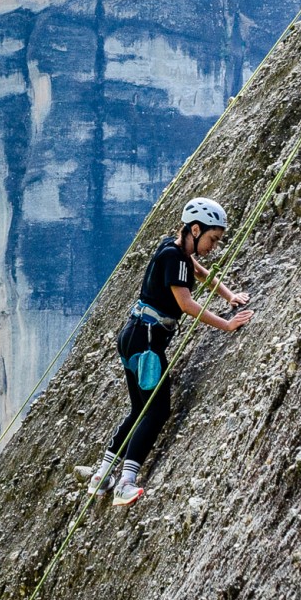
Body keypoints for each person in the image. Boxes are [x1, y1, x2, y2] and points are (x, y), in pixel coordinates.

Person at [84, 197, 251, 508]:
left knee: (139, 409)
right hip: (147, 341)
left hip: (134, 336)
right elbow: (186, 304)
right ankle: (125, 483)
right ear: (196, 229)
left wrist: (229, 295)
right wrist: (227, 326)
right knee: (157, 410)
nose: (213, 246)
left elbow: (198, 272)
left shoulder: (173, 250)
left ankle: (102, 476)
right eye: (212, 239)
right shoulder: (176, 258)